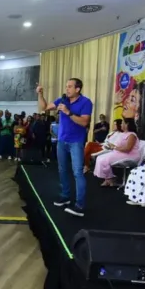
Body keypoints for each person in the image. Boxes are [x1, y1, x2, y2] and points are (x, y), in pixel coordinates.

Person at [37, 78, 93, 216]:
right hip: (62, 141)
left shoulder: (86, 102)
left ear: (77, 89)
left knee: (77, 172)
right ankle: (65, 196)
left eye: (70, 87)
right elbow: (44, 108)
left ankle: (80, 205)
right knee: (62, 170)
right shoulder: (62, 100)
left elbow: (85, 122)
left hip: (76, 142)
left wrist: (68, 112)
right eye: (66, 86)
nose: (67, 89)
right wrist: (40, 94)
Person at [94, 118, 141, 187]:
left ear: (127, 124)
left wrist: (115, 147)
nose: (121, 125)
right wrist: (111, 146)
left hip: (130, 155)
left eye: (122, 123)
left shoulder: (132, 135)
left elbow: (127, 149)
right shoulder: (124, 133)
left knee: (104, 160)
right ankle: (108, 178)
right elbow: (118, 145)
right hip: (120, 152)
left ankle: (110, 178)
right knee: (100, 158)